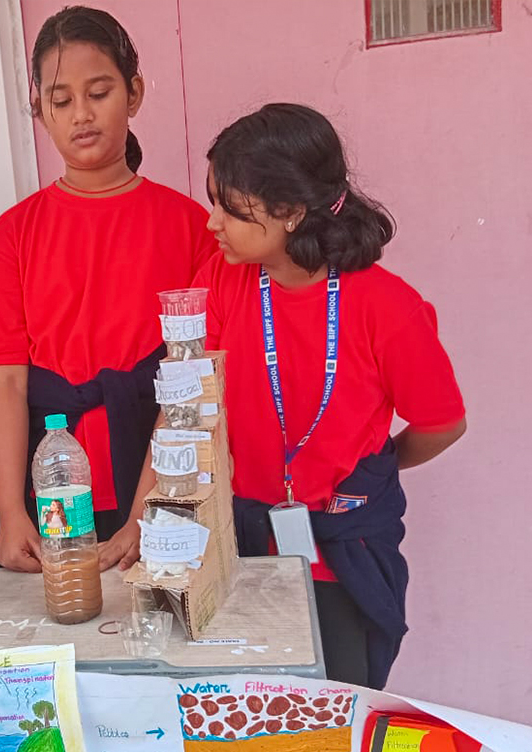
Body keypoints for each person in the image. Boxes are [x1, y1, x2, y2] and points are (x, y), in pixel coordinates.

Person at [198, 103, 467, 688]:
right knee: (248, 712)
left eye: (231, 208)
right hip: (241, 548)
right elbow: (192, 404)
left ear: (291, 211)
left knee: (335, 716)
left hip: (341, 557)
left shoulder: (387, 306)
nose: (213, 222)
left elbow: (442, 422)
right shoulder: (224, 280)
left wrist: (374, 469)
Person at [0, 5, 216, 573]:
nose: (81, 115)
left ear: (134, 93)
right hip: (52, 478)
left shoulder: (191, 227)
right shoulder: (13, 233)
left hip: (161, 472)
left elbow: (192, 379)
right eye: (61, 101)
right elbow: (6, 380)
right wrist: (11, 512)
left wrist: (150, 510)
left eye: (99, 93)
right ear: (39, 110)